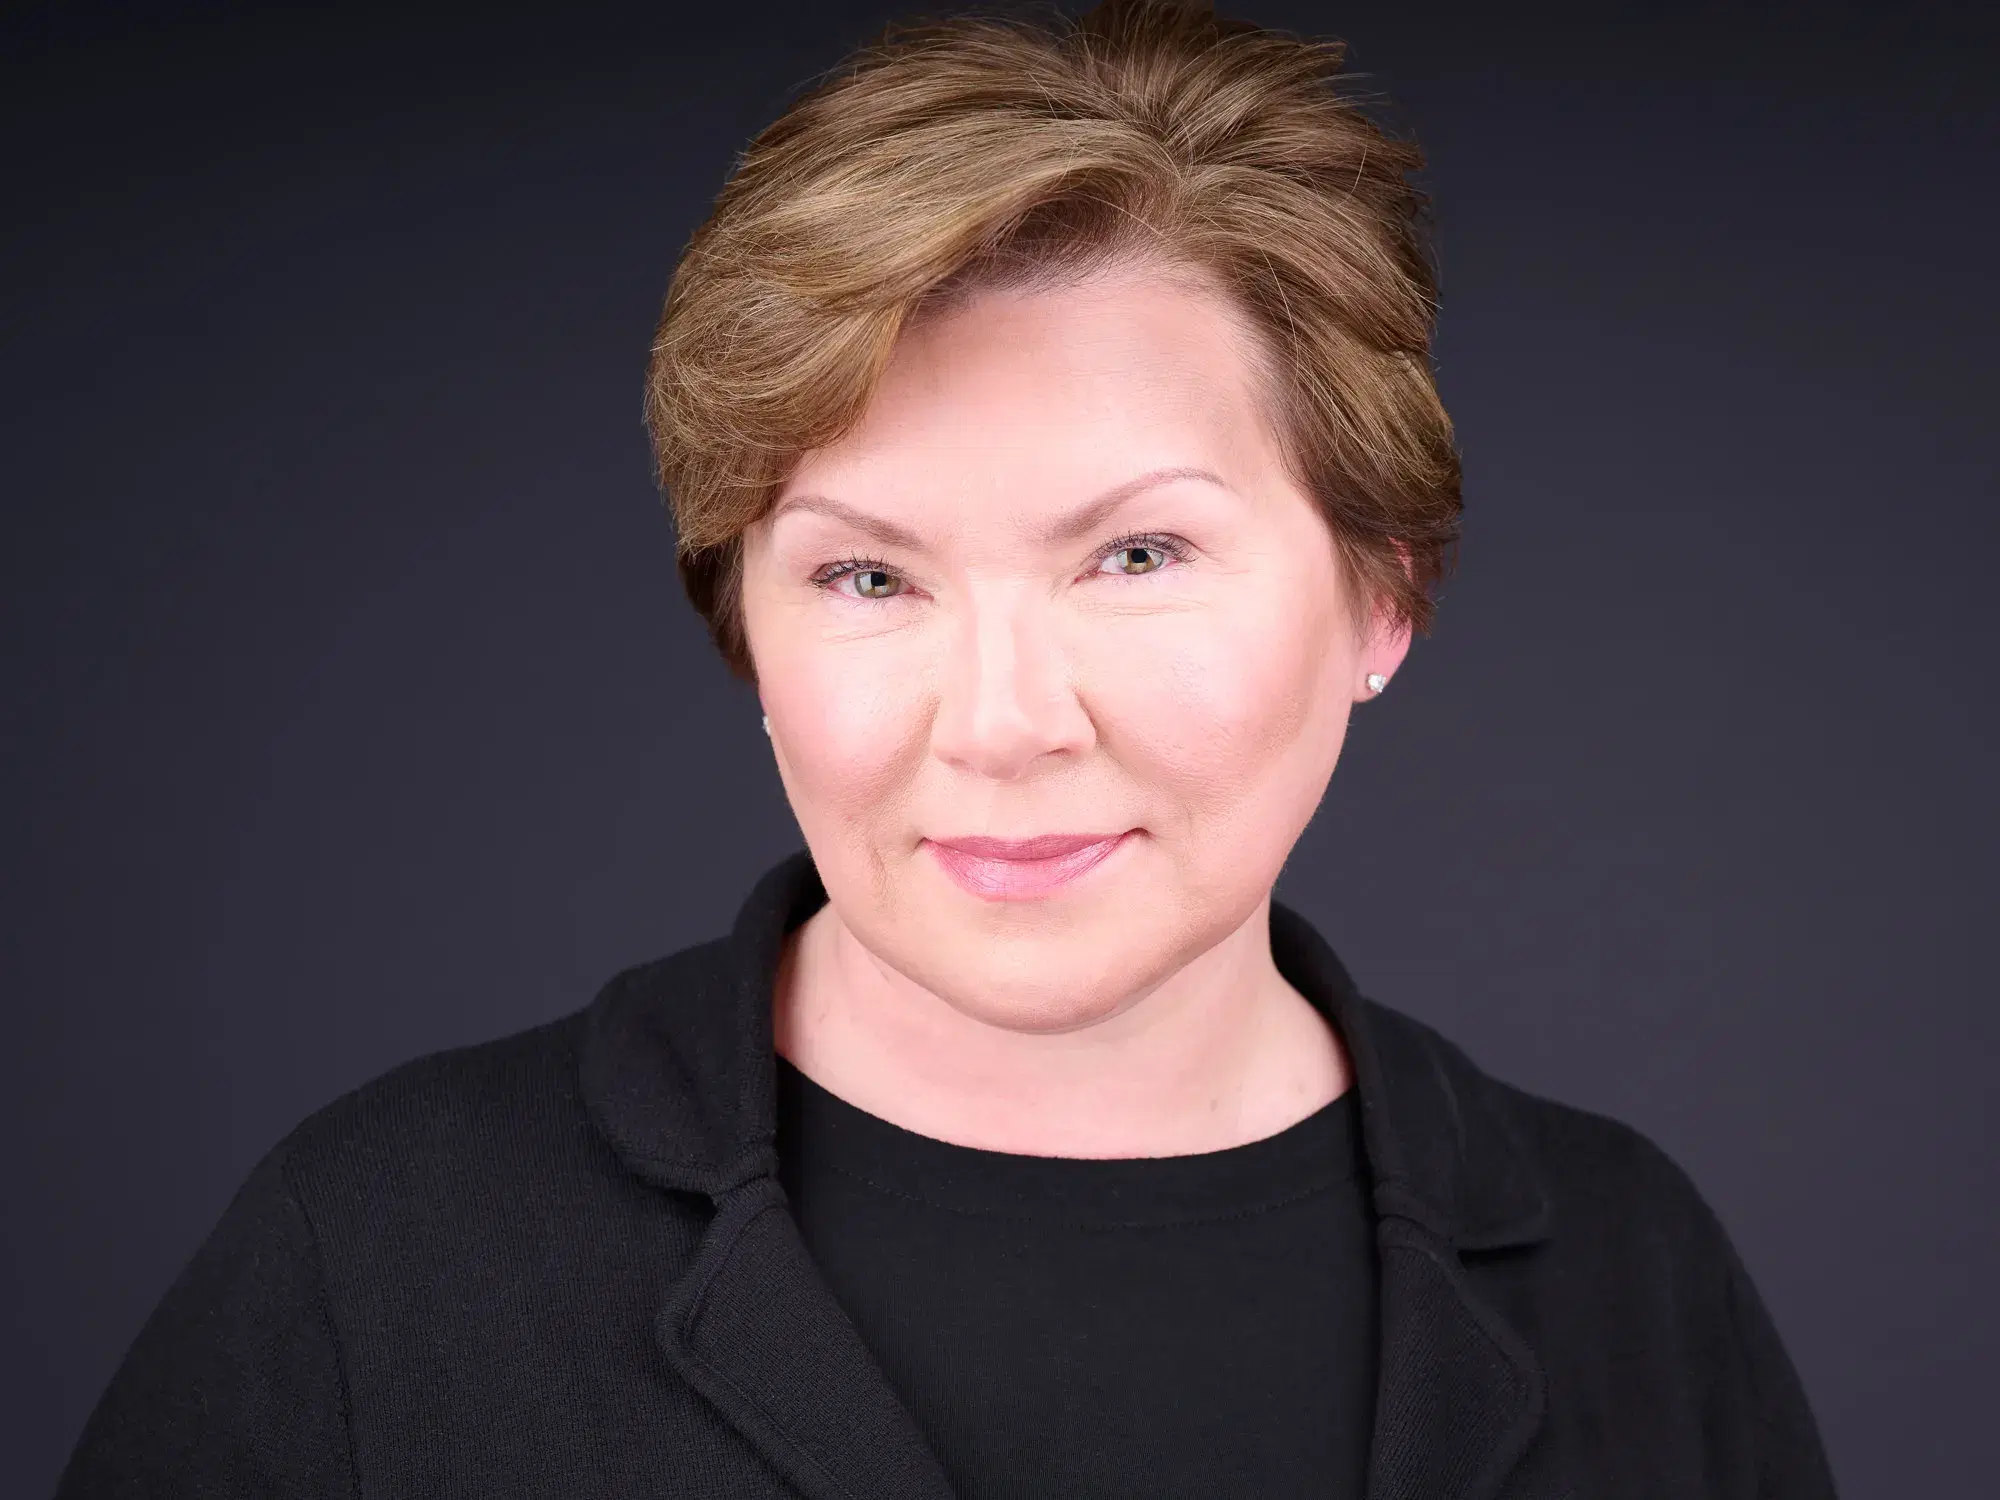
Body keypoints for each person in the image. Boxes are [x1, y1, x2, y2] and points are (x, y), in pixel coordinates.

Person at [57, 2, 1840, 1496]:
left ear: (1384, 595)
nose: (1001, 727)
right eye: (867, 573)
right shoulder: (378, 1257)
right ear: (747, 630)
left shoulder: (1630, 1271)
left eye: (1134, 555)